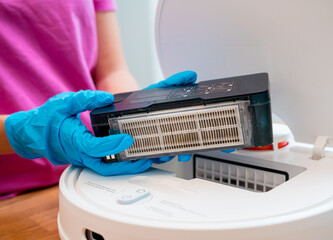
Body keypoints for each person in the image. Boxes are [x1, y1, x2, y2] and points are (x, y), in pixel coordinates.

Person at [0, 0, 196, 199]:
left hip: (90, 173)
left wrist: (135, 111)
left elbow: (111, 71)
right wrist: (22, 132)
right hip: (10, 195)